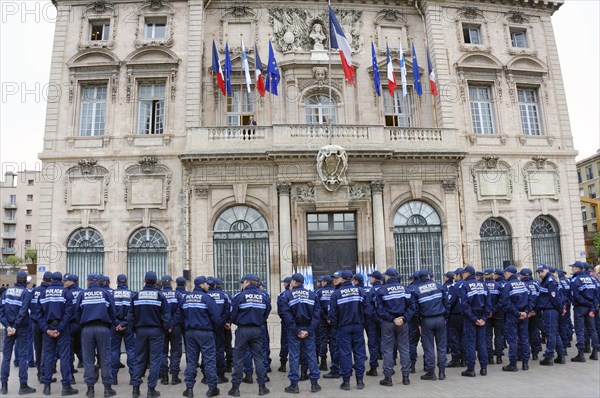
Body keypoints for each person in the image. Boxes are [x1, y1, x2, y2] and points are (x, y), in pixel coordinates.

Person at [228, 274, 271, 397]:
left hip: (243, 330)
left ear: (247, 282)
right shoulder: (264, 296)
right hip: (257, 330)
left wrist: (238, 322)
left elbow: (233, 314)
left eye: (243, 282)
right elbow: (267, 312)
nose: (242, 284)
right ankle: (262, 388)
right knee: (259, 358)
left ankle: (235, 388)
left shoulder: (240, 296)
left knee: (239, 359)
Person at [129, 271, 170, 398]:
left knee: (139, 359)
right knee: (155, 360)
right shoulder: (160, 296)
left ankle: (135, 389)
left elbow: (130, 316)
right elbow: (166, 316)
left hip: (141, 331)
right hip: (156, 331)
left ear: (144, 280)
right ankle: (151, 390)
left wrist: (133, 330)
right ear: (156, 281)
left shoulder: (136, 296)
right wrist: (165, 329)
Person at [75, 273, 117, 398]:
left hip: (87, 329)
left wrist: (82, 324)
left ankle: (90, 390)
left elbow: (77, 312)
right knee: (105, 359)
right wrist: (111, 325)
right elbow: (112, 312)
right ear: (99, 281)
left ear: (88, 281)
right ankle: (107, 389)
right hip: (103, 328)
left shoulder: (82, 294)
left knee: (88, 360)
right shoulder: (106, 294)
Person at [279, 273, 321, 394]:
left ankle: (294, 385)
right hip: (308, 329)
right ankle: (314, 384)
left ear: (294, 282)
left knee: (294, 356)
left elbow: (286, 315)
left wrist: (297, 331)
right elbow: (316, 315)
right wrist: (308, 330)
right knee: (311, 355)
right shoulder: (312, 295)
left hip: (294, 330)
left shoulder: (287, 295)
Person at [328, 269, 370, 390]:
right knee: (359, 353)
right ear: (351, 279)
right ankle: (360, 381)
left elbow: (332, 315)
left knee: (345, 354)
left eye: (337, 278)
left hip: (343, 327)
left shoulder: (336, 294)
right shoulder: (360, 291)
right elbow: (368, 311)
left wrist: (337, 327)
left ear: (342, 279)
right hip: (358, 326)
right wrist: (362, 323)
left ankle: (346, 382)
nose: (335, 280)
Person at [180, 276, 221, 398]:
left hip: (190, 333)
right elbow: (216, 318)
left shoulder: (186, 298)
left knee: (191, 361)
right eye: (207, 284)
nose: (209, 286)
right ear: (202, 285)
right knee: (209, 361)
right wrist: (214, 329)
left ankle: (189, 389)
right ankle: (212, 388)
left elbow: (181, 316)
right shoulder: (207, 298)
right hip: (205, 333)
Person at [39, 271, 78, 396]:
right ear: (61, 280)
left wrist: (47, 329)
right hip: (62, 329)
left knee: (49, 357)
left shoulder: (44, 293)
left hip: (49, 328)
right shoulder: (66, 293)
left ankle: (46, 387)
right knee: (65, 357)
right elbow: (69, 313)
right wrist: (60, 328)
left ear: (50, 280)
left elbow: (38, 314)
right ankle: (66, 387)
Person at [375, 268, 413, 387]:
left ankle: (388, 378)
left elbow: (380, 310)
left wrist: (392, 319)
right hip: (403, 322)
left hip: (388, 323)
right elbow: (412, 307)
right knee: (404, 349)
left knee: (387, 350)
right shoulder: (405, 289)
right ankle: (406, 377)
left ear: (387, 277)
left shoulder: (382, 290)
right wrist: (403, 318)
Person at [0, 271, 36, 395]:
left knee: (6, 357)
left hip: (9, 328)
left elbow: (1, 311)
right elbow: (23, 310)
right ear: (25, 281)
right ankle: (23, 386)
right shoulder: (26, 293)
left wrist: (8, 326)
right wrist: (15, 326)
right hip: (21, 328)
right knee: (22, 357)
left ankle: (3, 386)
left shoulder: (6, 292)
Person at [412, 269, 447, 381]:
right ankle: (442, 372)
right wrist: (445, 317)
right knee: (441, 347)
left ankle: (431, 372)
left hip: (426, 321)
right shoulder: (439, 286)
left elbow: (415, 310)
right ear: (428, 276)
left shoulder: (417, 290)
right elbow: (447, 303)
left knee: (429, 348)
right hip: (440, 319)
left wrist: (418, 324)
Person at [459, 266, 490, 377]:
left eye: (463, 272)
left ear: (468, 273)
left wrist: (474, 319)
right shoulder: (483, 285)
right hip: (481, 319)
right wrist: (483, 319)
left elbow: (464, 305)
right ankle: (484, 368)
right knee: (481, 343)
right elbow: (488, 304)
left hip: (470, 319)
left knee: (470, 344)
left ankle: (471, 369)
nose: (462, 274)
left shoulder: (465, 286)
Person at [500, 265, 531, 372]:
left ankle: (513, 364)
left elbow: (506, 302)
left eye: (505, 272)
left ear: (510, 273)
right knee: (524, 339)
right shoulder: (523, 284)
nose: (504, 274)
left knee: (513, 340)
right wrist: (526, 312)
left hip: (513, 316)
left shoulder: (508, 285)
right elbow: (530, 299)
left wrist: (517, 313)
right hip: (523, 315)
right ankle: (525, 363)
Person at [535, 264, 567, 365]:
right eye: (538, 272)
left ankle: (549, 357)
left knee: (550, 334)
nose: (540, 274)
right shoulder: (545, 281)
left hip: (550, 311)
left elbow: (555, 298)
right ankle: (561, 356)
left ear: (547, 271)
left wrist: (561, 309)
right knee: (555, 333)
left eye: (541, 271)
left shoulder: (550, 281)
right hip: (549, 310)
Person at [569, 261, 599, 362]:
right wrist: (592, 307)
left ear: (579, 269)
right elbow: (596, 295)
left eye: (573, 267)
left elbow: (575, 295)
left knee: (580, 330)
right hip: (591, 307)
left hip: (580, 308)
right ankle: (595, 353)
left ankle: (581, 355)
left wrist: (585, 303)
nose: (572, 269)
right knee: (592, 330)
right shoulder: (592, 279)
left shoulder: (575, 280)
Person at [111, 274, 134, 385]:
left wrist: (117, 323)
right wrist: (124, 323)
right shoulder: (132, 294)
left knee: (114, 351)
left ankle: (114, 378)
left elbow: (109, 311)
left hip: (115, 326)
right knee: (131, 351)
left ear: (117, 282)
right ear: (126, 282)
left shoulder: (111, 294)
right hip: (128, 325)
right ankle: (133, 377)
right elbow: (132, 312)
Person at [206, 276, 231, 383]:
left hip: (207, 327)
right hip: (221, 327)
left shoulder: (205, 295)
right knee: (220, 350)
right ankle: (221, 374)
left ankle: (207, 375)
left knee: (207, 351)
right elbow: (229, 310)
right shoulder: (225, 295)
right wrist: (224, 322)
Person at [160, 275, 183, 385]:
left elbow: (158, 312)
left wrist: (165, 325)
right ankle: (174, 377)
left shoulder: (159, 295)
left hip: (161, 328)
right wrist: (172, 325)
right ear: (170, 283)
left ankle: (164, 378)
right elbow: (179, 311)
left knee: (162, 352)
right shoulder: (177, 294)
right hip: (175, 327)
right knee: (175, 351)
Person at [30, 271, 53, 382]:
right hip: (45, 325)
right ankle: (44, 374)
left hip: (35, 323)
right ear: (51, 280)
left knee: (38, 349)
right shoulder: (49, 291)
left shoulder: (34, 290)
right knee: (46, 350)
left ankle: (40, 373)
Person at [277, 277, 292, 373]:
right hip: (298, 323)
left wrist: (285, 318)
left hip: (286, 323)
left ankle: (283, 365)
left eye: (285, 283)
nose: (283, 284)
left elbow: (280, 311)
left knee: (285, 343)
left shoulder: (282, 295)